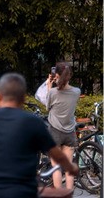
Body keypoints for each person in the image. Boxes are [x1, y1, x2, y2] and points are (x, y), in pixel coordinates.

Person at [0, 72, 79, 198]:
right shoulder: (32, 122)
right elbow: (57, 155)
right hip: (22, 192)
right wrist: (71, 167)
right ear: (23, 98)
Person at [44, 63, 81, 191]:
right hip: (70, 132)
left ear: (57, 75)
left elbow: (48, 107)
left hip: (54, 132)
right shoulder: (77, 92)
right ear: (70, 75)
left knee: (56, 168)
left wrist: (49, 85)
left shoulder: (53, 92)